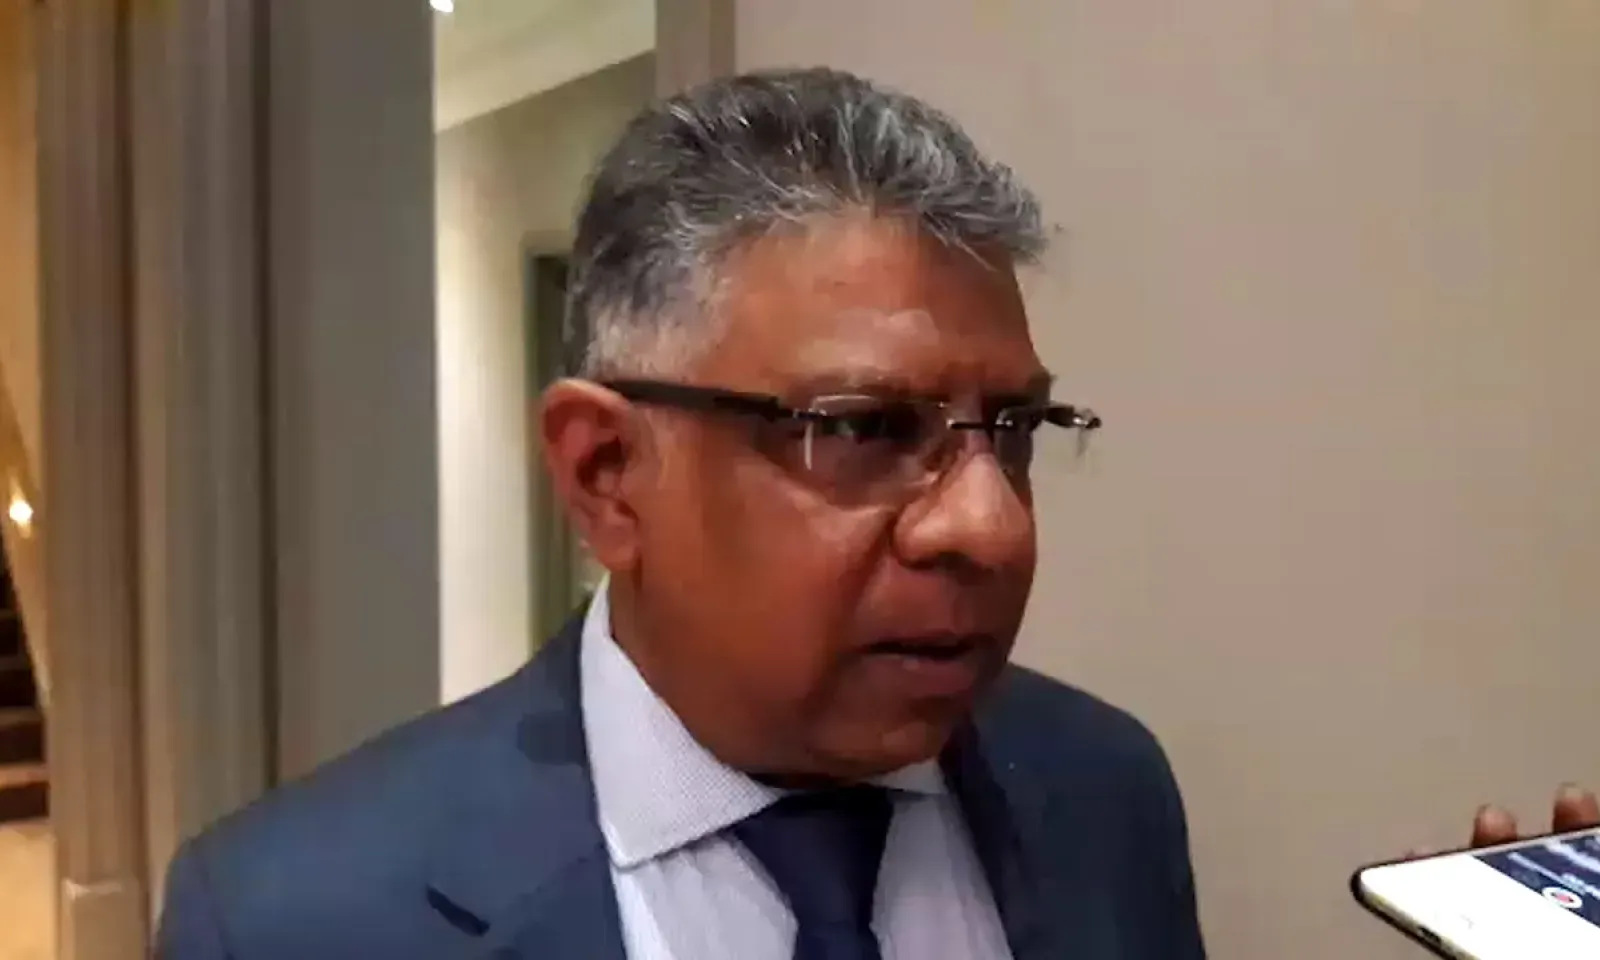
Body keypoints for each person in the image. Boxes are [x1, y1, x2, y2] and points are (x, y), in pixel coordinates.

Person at [156, 67, 1599, 960]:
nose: (991, 528)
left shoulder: (1103, 792)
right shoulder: (295, 919)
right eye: (860, 430)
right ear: (606, 475)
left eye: (1014, 432)